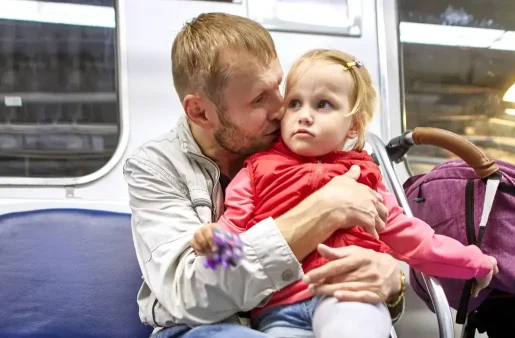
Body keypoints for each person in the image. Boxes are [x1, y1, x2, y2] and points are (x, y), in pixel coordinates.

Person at [123, 13, 406, 338]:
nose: (282, 108)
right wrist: (322, 209)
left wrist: (392, 281)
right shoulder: (155, 166)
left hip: (306, 312)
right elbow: (192, 296)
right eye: (259, 98)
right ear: (201, 112)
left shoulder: (302, 143)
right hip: (209, 327)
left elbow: (379, 240)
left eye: (278, 87)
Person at [190, 49, 499, 337]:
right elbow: (236, 228)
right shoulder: (255, 171)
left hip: (348, 293)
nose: (304, 115)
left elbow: (415, 239)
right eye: (294, 103)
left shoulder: (364, 178)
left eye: (323, 104)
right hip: (279, 309)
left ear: (353, 126)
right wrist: (215, 240)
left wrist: (475, 261)